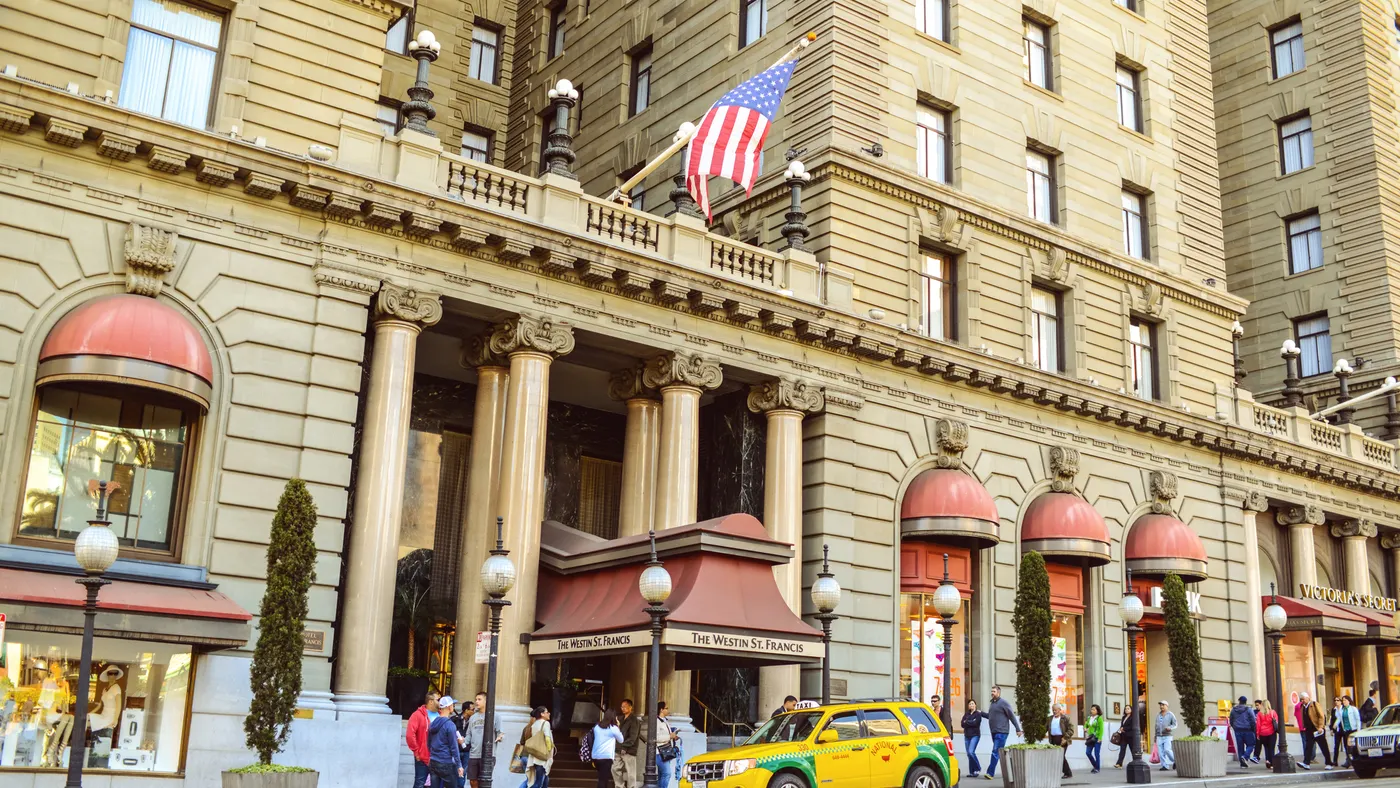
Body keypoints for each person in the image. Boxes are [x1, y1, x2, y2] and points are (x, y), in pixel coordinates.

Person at [984, 685, 1022, 780]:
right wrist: (980, 713)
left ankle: (990, 773)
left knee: (995, 751)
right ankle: (1012, 772)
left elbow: (1012, 716)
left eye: (994, 691)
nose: (992, 693)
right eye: (991, 691)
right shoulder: (992, 704)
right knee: (1000, 753)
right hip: (994, 731)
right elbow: (990, 716)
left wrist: (1018, 729)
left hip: (1002, 732)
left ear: (998, 692)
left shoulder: (1003, 703)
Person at [468, 692, 504, 788]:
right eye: (476, 699)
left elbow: (500, 732)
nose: (476, 702)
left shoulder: (496, 716)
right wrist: (463, 741)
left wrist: (500, 737)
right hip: (474, 753)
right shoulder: (472, 717)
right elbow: (469, 734)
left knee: (485, 781)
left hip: (488, 754)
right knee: (472, 781)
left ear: (486, 701)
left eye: (479, 699)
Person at [428, 696, 466, 788]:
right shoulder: (450, 725)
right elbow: (454, 747)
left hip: (433, 760)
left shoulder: (433, 723)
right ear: (449, 707)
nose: (453, 706)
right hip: (446, 762)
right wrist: (459, 765)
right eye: (453, 705)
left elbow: (428, 743)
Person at [408, 691, 442, 788]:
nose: (440, 702)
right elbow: (410, 735)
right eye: (438, 699)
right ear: (431, 701)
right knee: (420, 783)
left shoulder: (441, 715)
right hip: (423, 756)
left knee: (435, 784)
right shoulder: (417, 715)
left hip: (438, 756)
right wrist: (417, 752)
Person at [520, 705, 554, 788]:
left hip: (534, 756)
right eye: (547, 712)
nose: (549, 713)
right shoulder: (545, 723)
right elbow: (547, 739)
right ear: (542, 714)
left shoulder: (534, 725)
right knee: (538, 783)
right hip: (542, 757)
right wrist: (549, 751)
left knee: (540, 780)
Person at [591, 708, 625, 788]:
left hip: (595, 756)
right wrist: (618, 726)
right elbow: (621, 740)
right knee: (603, 779)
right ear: (614, 717)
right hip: (606, 757)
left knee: (601, 777)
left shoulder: (597, 727)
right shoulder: (613, 728)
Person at [1297, 692, 1329, 770]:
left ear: (1308, 698)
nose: (1302, 701)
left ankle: (1329, 763)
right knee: (1309, 746)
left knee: (1323, 746)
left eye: (1303, 699)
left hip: (1317, 729)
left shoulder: (1314, 704)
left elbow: (1321, 716)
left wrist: (1321, 727)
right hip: (1309, 729)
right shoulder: (1303, 707)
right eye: (1301, 699)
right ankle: (1306, 763)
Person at [614, 698, 641, 788]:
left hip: (629, 750)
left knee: (631, 772)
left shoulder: (634, 720)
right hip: (618, 748)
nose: (623, 708)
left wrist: (624, 747)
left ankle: (631, 787)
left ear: (630, 707)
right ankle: (619, 786)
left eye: (625, 707)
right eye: (622, 707)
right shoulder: (620, 719)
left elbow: (632, 737)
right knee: (614, 769)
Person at [653, 701, 680, 788]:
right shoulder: (656, 722)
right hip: (659, 752)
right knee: (667, 773)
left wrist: (673, 736)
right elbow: (655, 737)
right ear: (661, 710)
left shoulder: (665, 721)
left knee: (662, 775)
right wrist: (669, 736)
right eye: (666, 708)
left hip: (665, 751)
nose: (668, 710)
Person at [1115, 693, 1145, 768]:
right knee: (1122, 749)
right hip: (1124, 736)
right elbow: (1123, 725)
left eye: (1128, 708)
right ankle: (1119, 763)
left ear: (1131, 710)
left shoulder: (1133, 717)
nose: (1126, 710)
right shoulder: (1123, 717)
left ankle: (1136, 761)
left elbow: (1132, 726)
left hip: (1130, 736)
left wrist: (1124, 728)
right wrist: (1121, 729)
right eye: (1125, 709)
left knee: (1133, 749)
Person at [961, 700, 988, 778]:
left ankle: (978, 768)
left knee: (971, 752)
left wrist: (967, 722)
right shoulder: (966, 714)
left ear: (975, 705)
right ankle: (972, 772)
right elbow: (962, 724)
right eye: (970, 704)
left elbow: (976, 723)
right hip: (967, 736)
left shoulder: (978, 714)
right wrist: (970, 722)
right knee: (969, 754)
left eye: (973, 703)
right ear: (968, 706)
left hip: (975, 735)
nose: (971, 705)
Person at [1047, 703, 1074, 778]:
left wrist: (1065, 738)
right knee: (1056, 757)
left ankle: (1068, 773)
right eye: (1053, 710)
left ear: (1059, 710)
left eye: (1056, 710)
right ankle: (1064, 772)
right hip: (1053, 739)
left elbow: (1071, 729)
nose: (1054, 712)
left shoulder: (1065, 718)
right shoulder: (1050, 719)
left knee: (1061, 756)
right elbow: (1045, 728)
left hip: (1063, 739)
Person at [1229, 695, 1256, 768]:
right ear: (1246, 702)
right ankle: (1245, 756)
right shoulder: (1249, 709)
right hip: (1248, 730)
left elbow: (1231, 719)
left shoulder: (1234, 710)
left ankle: (1242, 764)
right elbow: (1253, 720)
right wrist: (1253, 729)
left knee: (1240, 747)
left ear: (1239, 701)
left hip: (1237, 730)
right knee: (1251, 745)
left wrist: (1234, 727)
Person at [1333, 695, 1360, 768]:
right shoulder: (1342, 710)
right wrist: (1335, 725)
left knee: (1353, 746)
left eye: (1345, 700)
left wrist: (1358, 729)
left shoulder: (1353, 709)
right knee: (1347, 747)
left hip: (1353, 729)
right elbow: (1339, 718)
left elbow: (1357, 719)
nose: (1343, 702)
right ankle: (1348, 761)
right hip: (1346, 730)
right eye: (1343, 700)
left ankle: (1354, 760)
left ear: (1348, 701)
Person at [1154, 700, 1177, 771]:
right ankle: (1164, 766)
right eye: (1160, 705)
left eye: (1163, 705)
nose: (1161, 706)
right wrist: (1155, 736)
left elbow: (1175, 724)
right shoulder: (1158, 715)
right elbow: (1156, 726)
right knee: (1161, 752)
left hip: (1167, 736)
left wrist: (1170, 728)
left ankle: (1176, 761)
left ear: (1167, 706)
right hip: (1159, 736)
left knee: (1167, 750)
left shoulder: (1170, 714)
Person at [1256, 699, 1279, 768]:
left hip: (1262, 733)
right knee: (1271, 748)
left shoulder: (1259, 713)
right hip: (1271, 733)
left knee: (1266, 747)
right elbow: (1276, 722)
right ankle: (1271, 763)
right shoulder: (1273, 712)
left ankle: (1267, 760)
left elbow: (1258, 724)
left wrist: (1258, 734)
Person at [1084, 704, 1104, 774]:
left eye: (1094, 709)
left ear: (1097, 711)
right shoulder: (1089, 717)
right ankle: (1095, 766)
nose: (1092, 710)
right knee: (1088, 752)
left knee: (1096, 753)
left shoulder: (1099, 718)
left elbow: (1101, 729)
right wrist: (1085, 728)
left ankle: (1097, 768)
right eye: (1091, 709)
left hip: (1097, 738)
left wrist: (1100, 738)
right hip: (1090, 738)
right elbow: (1086, 724)